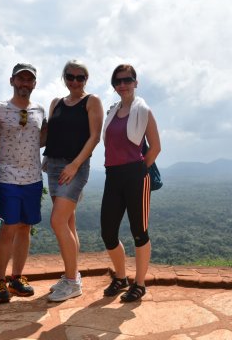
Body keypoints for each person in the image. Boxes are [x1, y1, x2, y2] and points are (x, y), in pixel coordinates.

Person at [43, 60, 103, 302]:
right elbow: (50, 135)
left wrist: (75, 164)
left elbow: (94, 137)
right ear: (64, 77)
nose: (75, 81)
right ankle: (72, 274)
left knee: (57, 221)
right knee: (68, 223)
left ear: (86, 80)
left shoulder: (92, 101)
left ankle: (71, 282)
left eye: (80, 77)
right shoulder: (56, 103)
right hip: (54, 165)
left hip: (75, 166)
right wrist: (46, 157)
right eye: (70, 76)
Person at [100, 64, 161, 302]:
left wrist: (139, 170)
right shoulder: (112, 112)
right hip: (113, 175)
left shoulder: (143, 110)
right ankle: (121, 278)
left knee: (139, 231)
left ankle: (140, 283)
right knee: (108, 232)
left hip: (136, 175)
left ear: (136, 82)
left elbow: (155, 147)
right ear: (114, 86)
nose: (122, 85)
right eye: (118, 81)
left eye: (127, 80)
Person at [0, 63, 46, 303]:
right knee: (8, 228)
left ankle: (17, 278)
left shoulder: (40, 110)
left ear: (34, 83)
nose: (25, 83)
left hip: (33, 178)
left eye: (29, 80)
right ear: (12, 80)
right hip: (5, 177)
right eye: (20, 79)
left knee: (25, 227)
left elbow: (42, 140)